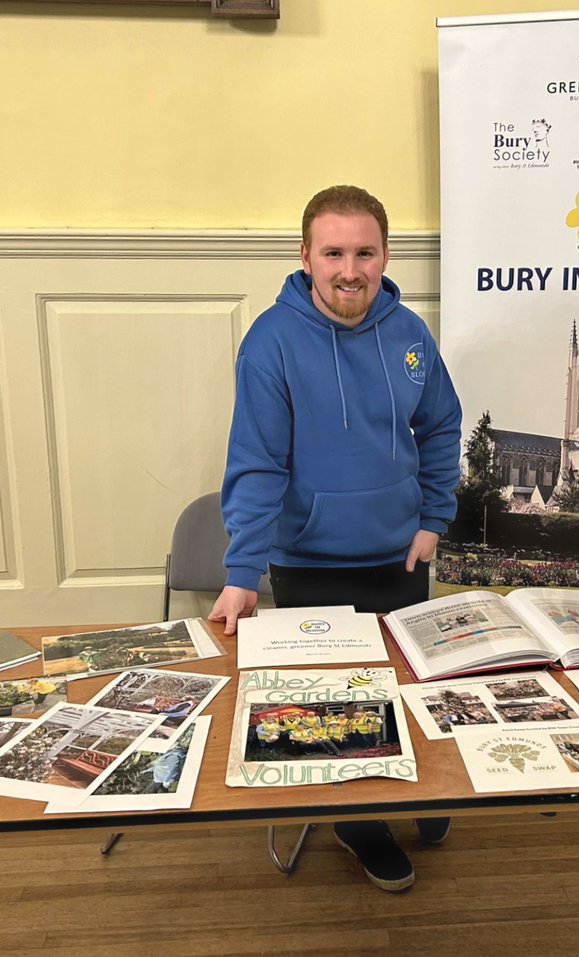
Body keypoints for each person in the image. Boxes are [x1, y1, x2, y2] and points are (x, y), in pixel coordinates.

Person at [209, 185, 461, 893]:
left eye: (364, 252)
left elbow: (442, 424)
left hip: (398, 556)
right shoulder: (271, 342)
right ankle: (358, 822)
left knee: (404, 697)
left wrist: (432, 520)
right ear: (306, 256)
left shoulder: (409, 334)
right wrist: (241, 571)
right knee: (337, 711)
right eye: (333, 252)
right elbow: (257, 463)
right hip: (310, 563)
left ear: (384, 255)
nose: (349, 269)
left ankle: (414, 790)